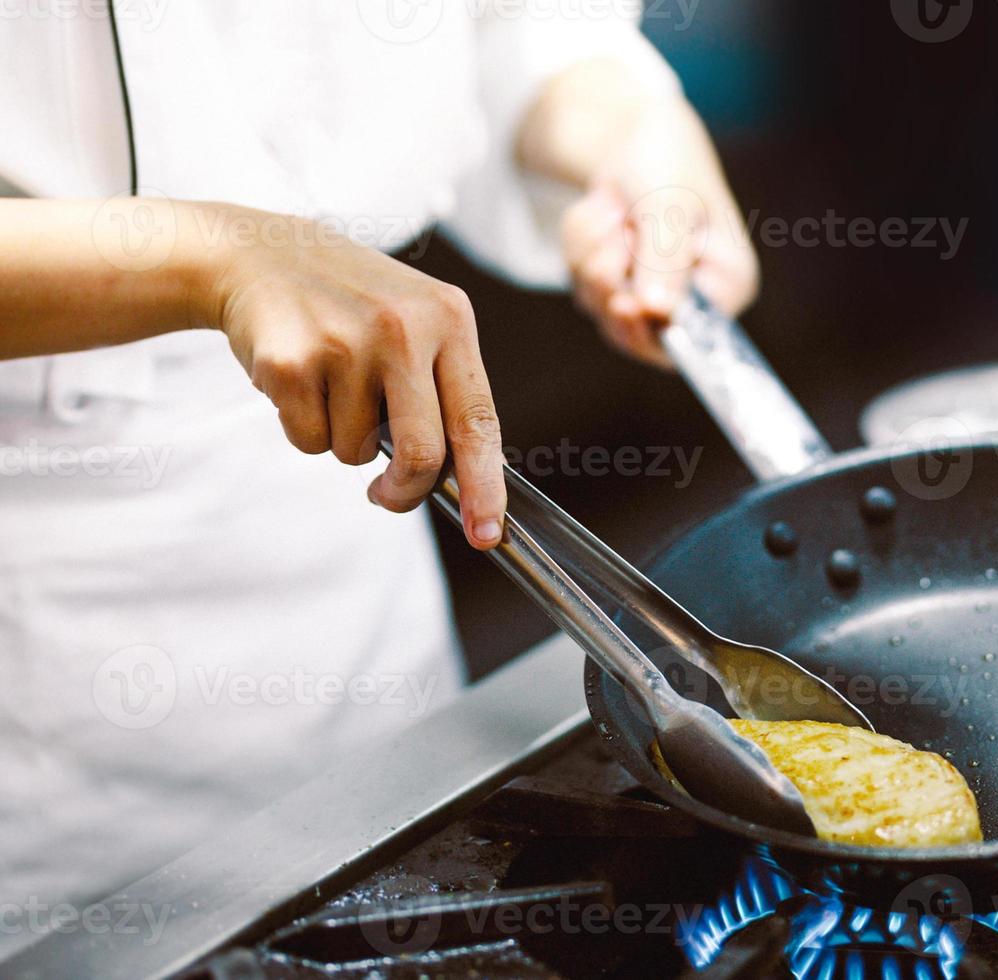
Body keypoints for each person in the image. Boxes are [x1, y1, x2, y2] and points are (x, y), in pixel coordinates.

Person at [0, 1, 756, 956]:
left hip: (364, 573)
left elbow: (504, 34)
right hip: (47, 670)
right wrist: (215, 256)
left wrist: (635, 128)